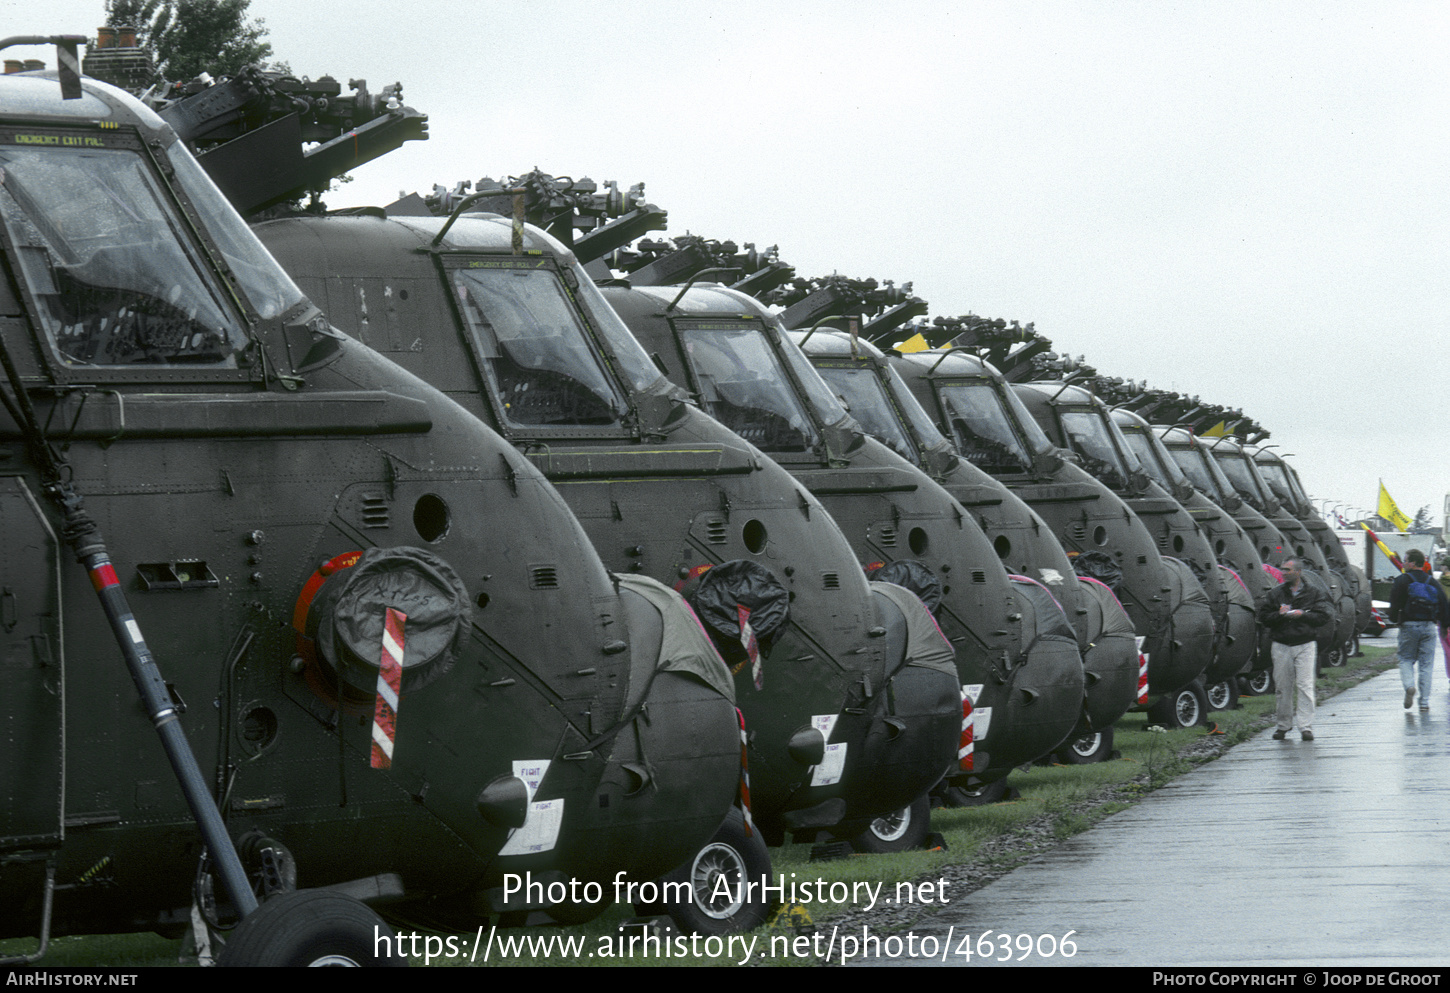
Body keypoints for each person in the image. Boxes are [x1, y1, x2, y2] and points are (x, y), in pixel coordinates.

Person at [1256, 557, 1332, 741]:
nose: (1283, 573)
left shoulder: (1314, 593)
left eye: (1287, 570)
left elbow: (1324, 616)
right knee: (1282, 687)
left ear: (1298, 572)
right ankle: (1283, 725)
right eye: (1282, 569)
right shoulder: (1275, 594)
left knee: (1305, 686)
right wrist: (1279, 615)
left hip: (1305, 644)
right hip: (1282, 644)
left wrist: (1303, 614)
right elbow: (1264, 617)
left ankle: (1305, 726)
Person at [1388, 548, 1450, 712]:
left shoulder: (1402, 580)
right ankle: (1424, 702)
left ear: (1413, 563)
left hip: (1408, 626)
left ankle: (1409, 686)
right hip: (1429, 626)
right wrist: (1444, 625)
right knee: (1426, 665)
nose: (1403, 563)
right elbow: (1444, 604)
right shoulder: (1432, 582)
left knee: (1406, 659)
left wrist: (1394, 619)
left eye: (1405, 560)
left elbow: (1394, 603)